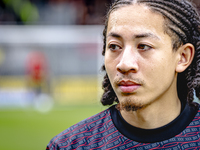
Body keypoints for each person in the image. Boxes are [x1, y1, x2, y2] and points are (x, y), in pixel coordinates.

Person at [46, 0, 200, 149]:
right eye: (114, 46)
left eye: (144, 46)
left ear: (183, 57)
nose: (124, 64)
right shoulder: (69, 145)